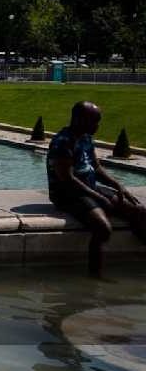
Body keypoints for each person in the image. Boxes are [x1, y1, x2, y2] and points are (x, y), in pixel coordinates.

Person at [47, 101, 146, 277]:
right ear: (79, 120)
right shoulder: (63, 141)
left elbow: (96, 167)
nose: (97, 126)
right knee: (102, 228)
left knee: (138, 210)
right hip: (67, 194)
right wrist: (99, 198)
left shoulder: (85, 137)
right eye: (94, 121)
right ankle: (95, 276)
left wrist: (117, 185)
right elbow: (67, 179)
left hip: (89, 187)